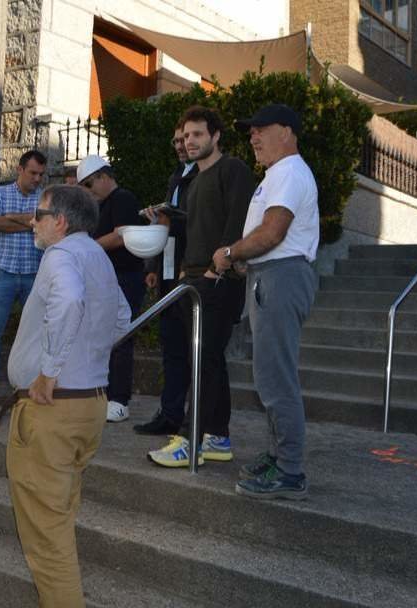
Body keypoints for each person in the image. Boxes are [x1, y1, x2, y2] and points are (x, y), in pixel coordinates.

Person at [4, 185, 131, 608]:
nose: (32, 222)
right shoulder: (97, 257)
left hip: (51, 410)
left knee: (46, 536)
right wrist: (87, 357)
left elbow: (71, 300)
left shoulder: (60, 255)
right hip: (88, 404)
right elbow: (122, 318)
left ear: (59, 221)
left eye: (38, 215)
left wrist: (50, 372)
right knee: (58, 519)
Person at [215, 104, 319, 500]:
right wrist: (247, 260)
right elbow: (270, 238)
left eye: (261, 129)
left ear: (287, 132)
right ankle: (279, 455)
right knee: (270, 375)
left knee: (276, 378)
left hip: (282, 277)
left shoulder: (290, 171)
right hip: (272, 275)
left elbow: (273, 232)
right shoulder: (279, 174)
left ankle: (290, 470)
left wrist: (230, 252)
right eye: (250, 130)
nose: (253, 136)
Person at [148, 105, 255, 468]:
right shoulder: (192, 181)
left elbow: (238, 222)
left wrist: (215, 269)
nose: (190, 141)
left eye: (197, 134)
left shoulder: (233, 169)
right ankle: (218, 438)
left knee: (204, 359)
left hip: (219, 280)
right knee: (208, 360)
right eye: (186, 135)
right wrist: (183, 273)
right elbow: (194, 232)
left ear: (215, 136)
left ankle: (192, 439)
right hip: (193, 279)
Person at [135, 125, 199, 435]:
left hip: (192, 272)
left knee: (193, 350)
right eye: (175, 140)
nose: (180, 145)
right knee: (171, 347)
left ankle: (194, 418)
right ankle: (170, 414)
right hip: (169, 271)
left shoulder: (204, 175)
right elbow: (166, 226)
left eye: (185, 139)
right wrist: (154, 266)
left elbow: (197, 222)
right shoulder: (177, 176)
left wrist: (169, 217)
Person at [0, 149, 48, 404]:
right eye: (32, 173)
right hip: (2, 272)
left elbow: (44, 226)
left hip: (32, 274)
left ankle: (30, 385)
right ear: (19, 169)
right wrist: (30, 221)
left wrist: (11, 218)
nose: (37, 179)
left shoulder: (45, 198)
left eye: (41, 174)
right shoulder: (0, 192)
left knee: (34, 331)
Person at [77, 154, 145, 423]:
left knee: (121, 337)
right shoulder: (102, 204)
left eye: (89, 184)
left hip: (125, 277)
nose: (88, 191)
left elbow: (120, 235)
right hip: (108, 278)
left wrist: (86, 249)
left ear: (104, 177)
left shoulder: (123, 199)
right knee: (103, 337)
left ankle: (119, 399)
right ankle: (103, 394)